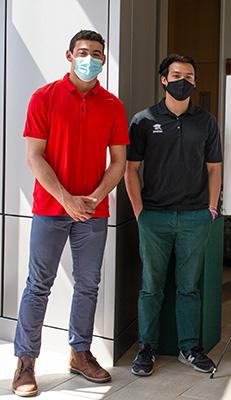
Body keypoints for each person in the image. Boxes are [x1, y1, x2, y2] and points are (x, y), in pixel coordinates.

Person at [12, 30, 129, 397]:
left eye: (96, 53)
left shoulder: (112, 105)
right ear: (69, 55)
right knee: (38, 286)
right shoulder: (44, 97)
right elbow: (34, 156)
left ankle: (80, 354)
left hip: (93, 212)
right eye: (83, 52)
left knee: (88, 285)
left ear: (103, 60)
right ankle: (26, 363)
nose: (89, 58)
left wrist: (92, 198)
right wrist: (66, 199)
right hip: (51, 208)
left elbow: (120, 161)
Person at [125, 54, 223, 377]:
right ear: (164, 79)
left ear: (195, 82)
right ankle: (146, 348)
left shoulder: (206, 122)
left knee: (189, 287)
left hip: (195, 217)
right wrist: (140, 213)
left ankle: (189, 348)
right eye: (177, 74)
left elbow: (214, 169)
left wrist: (210, 208)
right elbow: (131, 170)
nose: (184, 80)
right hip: (154, 217)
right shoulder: (143, 120)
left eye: (190, 76)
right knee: (151, 286)